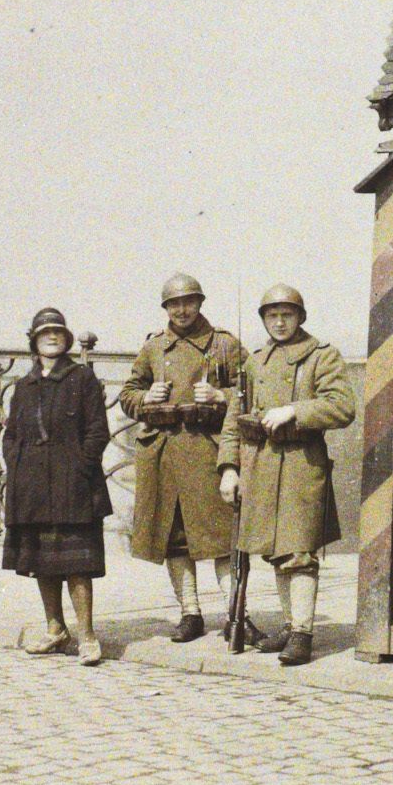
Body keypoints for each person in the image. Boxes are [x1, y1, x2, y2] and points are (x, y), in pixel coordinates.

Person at [217, 282, 356, 666]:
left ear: (300, 317)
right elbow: (233, 420)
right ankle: (291, 622)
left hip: (300, 465)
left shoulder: (321, 356)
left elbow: (343, 407)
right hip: (257, 466)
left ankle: (303, 634)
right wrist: (229, 469)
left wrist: (295, 410)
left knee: (298, 551)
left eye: (287, 315)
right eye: (272, 315)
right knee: (277, 554)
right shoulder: (254, 361)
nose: (279, 322)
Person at [120, 272, 245, 640]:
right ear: (165, 308)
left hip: (207, 450)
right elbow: (128, 391)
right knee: (174, 537)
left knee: (222, 536)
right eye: (174, 304)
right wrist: (145, 398)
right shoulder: (154, 347)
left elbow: (251, 390)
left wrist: (222, 397)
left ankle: (235, 614)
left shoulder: (224, 344)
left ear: (200, 303)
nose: (182, 310)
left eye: (189, 302)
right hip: (163, 454)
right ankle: (190, 612)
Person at [1, 307, 113, 666]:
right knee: (41, 560)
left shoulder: (82, 379)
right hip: (32, 486)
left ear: (66, 340)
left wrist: (81, 466)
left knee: (77, 561)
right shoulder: (24, 385)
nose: (52, 337)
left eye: (58, 333)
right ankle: (55, 629)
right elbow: (11, 434)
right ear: (33, 341)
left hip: (73, 484)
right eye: (44, 333)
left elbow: (98, 431)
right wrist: (17, 467)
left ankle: (87, 636)